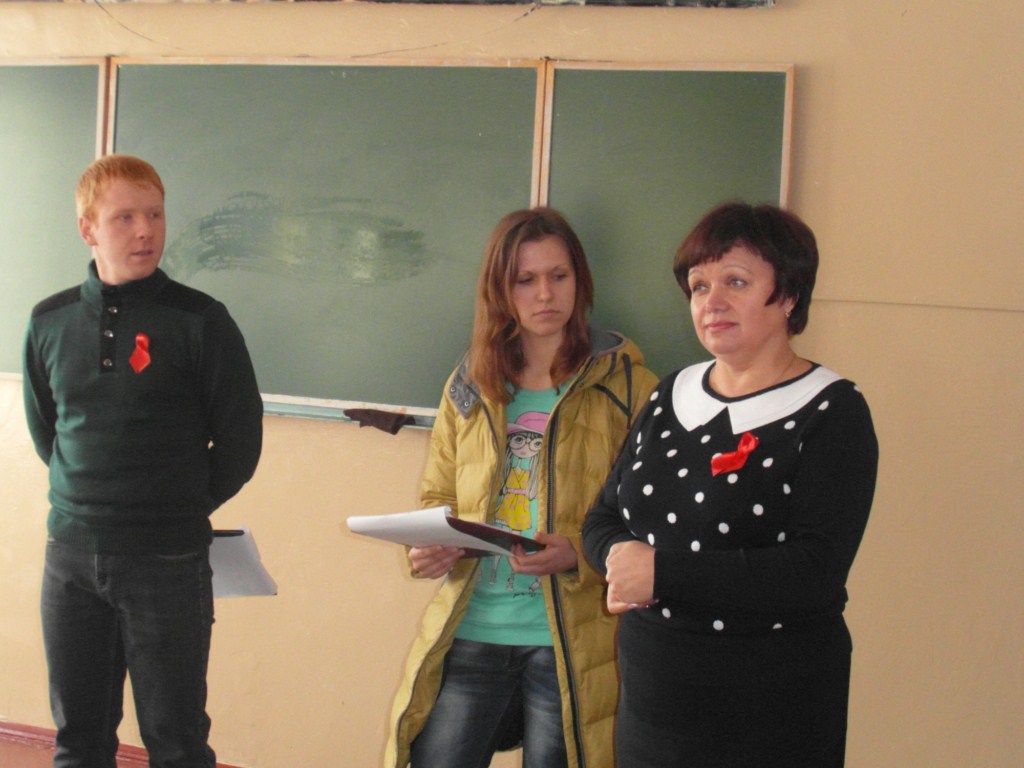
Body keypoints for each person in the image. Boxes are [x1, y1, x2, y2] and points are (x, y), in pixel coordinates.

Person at [582, 202, 879, 767]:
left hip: (769, 709)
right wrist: (619, 557)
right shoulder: (671, 392)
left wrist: (661, 573)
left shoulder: (832, 410)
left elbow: (814, 570)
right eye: (699, 286)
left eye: (735, 282)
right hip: (650, 703)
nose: (711, 302)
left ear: (788, 295)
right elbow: (603, 516)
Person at [385, 207, 659, 768]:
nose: (545, 294)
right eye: (524, 280)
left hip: (572, 642)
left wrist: (578, 553)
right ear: (500, 291)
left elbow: (652, 525)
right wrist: (431, 546)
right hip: (473, 629)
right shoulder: (470, 384)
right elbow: (439, 497)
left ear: (580, 281)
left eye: (558, 276)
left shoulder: (630, 386)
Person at [22, 154, 263, 768]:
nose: (145, 231)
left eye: (154, 215)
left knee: (176, 741)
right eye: (125, 217)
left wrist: (174, 506)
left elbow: (239, 443)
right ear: (88, 228)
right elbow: (48, 431)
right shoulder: (49, 321)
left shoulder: (200, 321)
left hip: (167, 562)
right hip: (70, 559)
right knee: (78, 740)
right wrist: (89, 502)